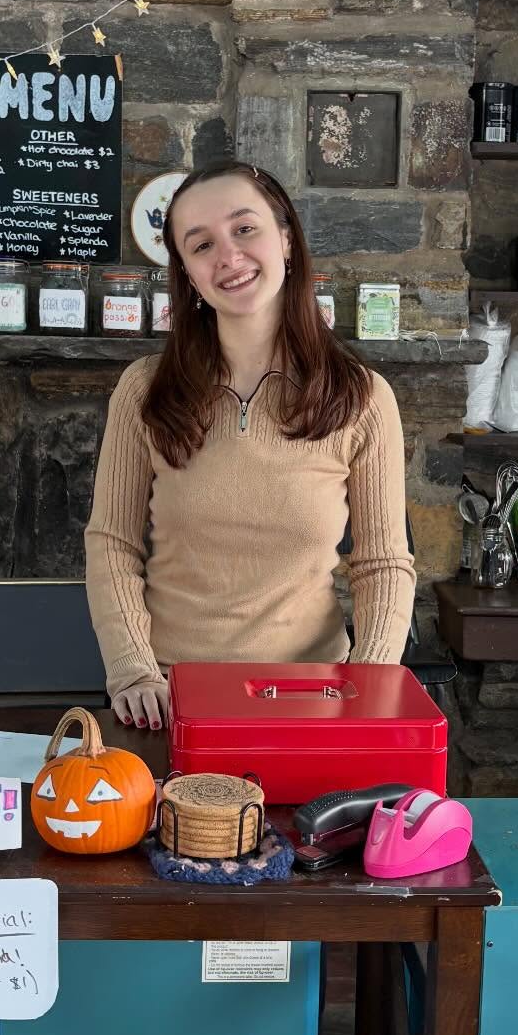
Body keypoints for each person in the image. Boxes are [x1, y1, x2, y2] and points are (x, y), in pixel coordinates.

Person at [84, 158, 417, 729]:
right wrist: (133, 670)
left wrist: (370, 682)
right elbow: (112, 542)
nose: (228, 257)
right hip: (172, 700)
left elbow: (383, 563)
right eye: (201, 245)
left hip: (313, 701)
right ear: (187, 272)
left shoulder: (361, 398)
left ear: (286, 238)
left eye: (245, 229)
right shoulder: (144, 389)